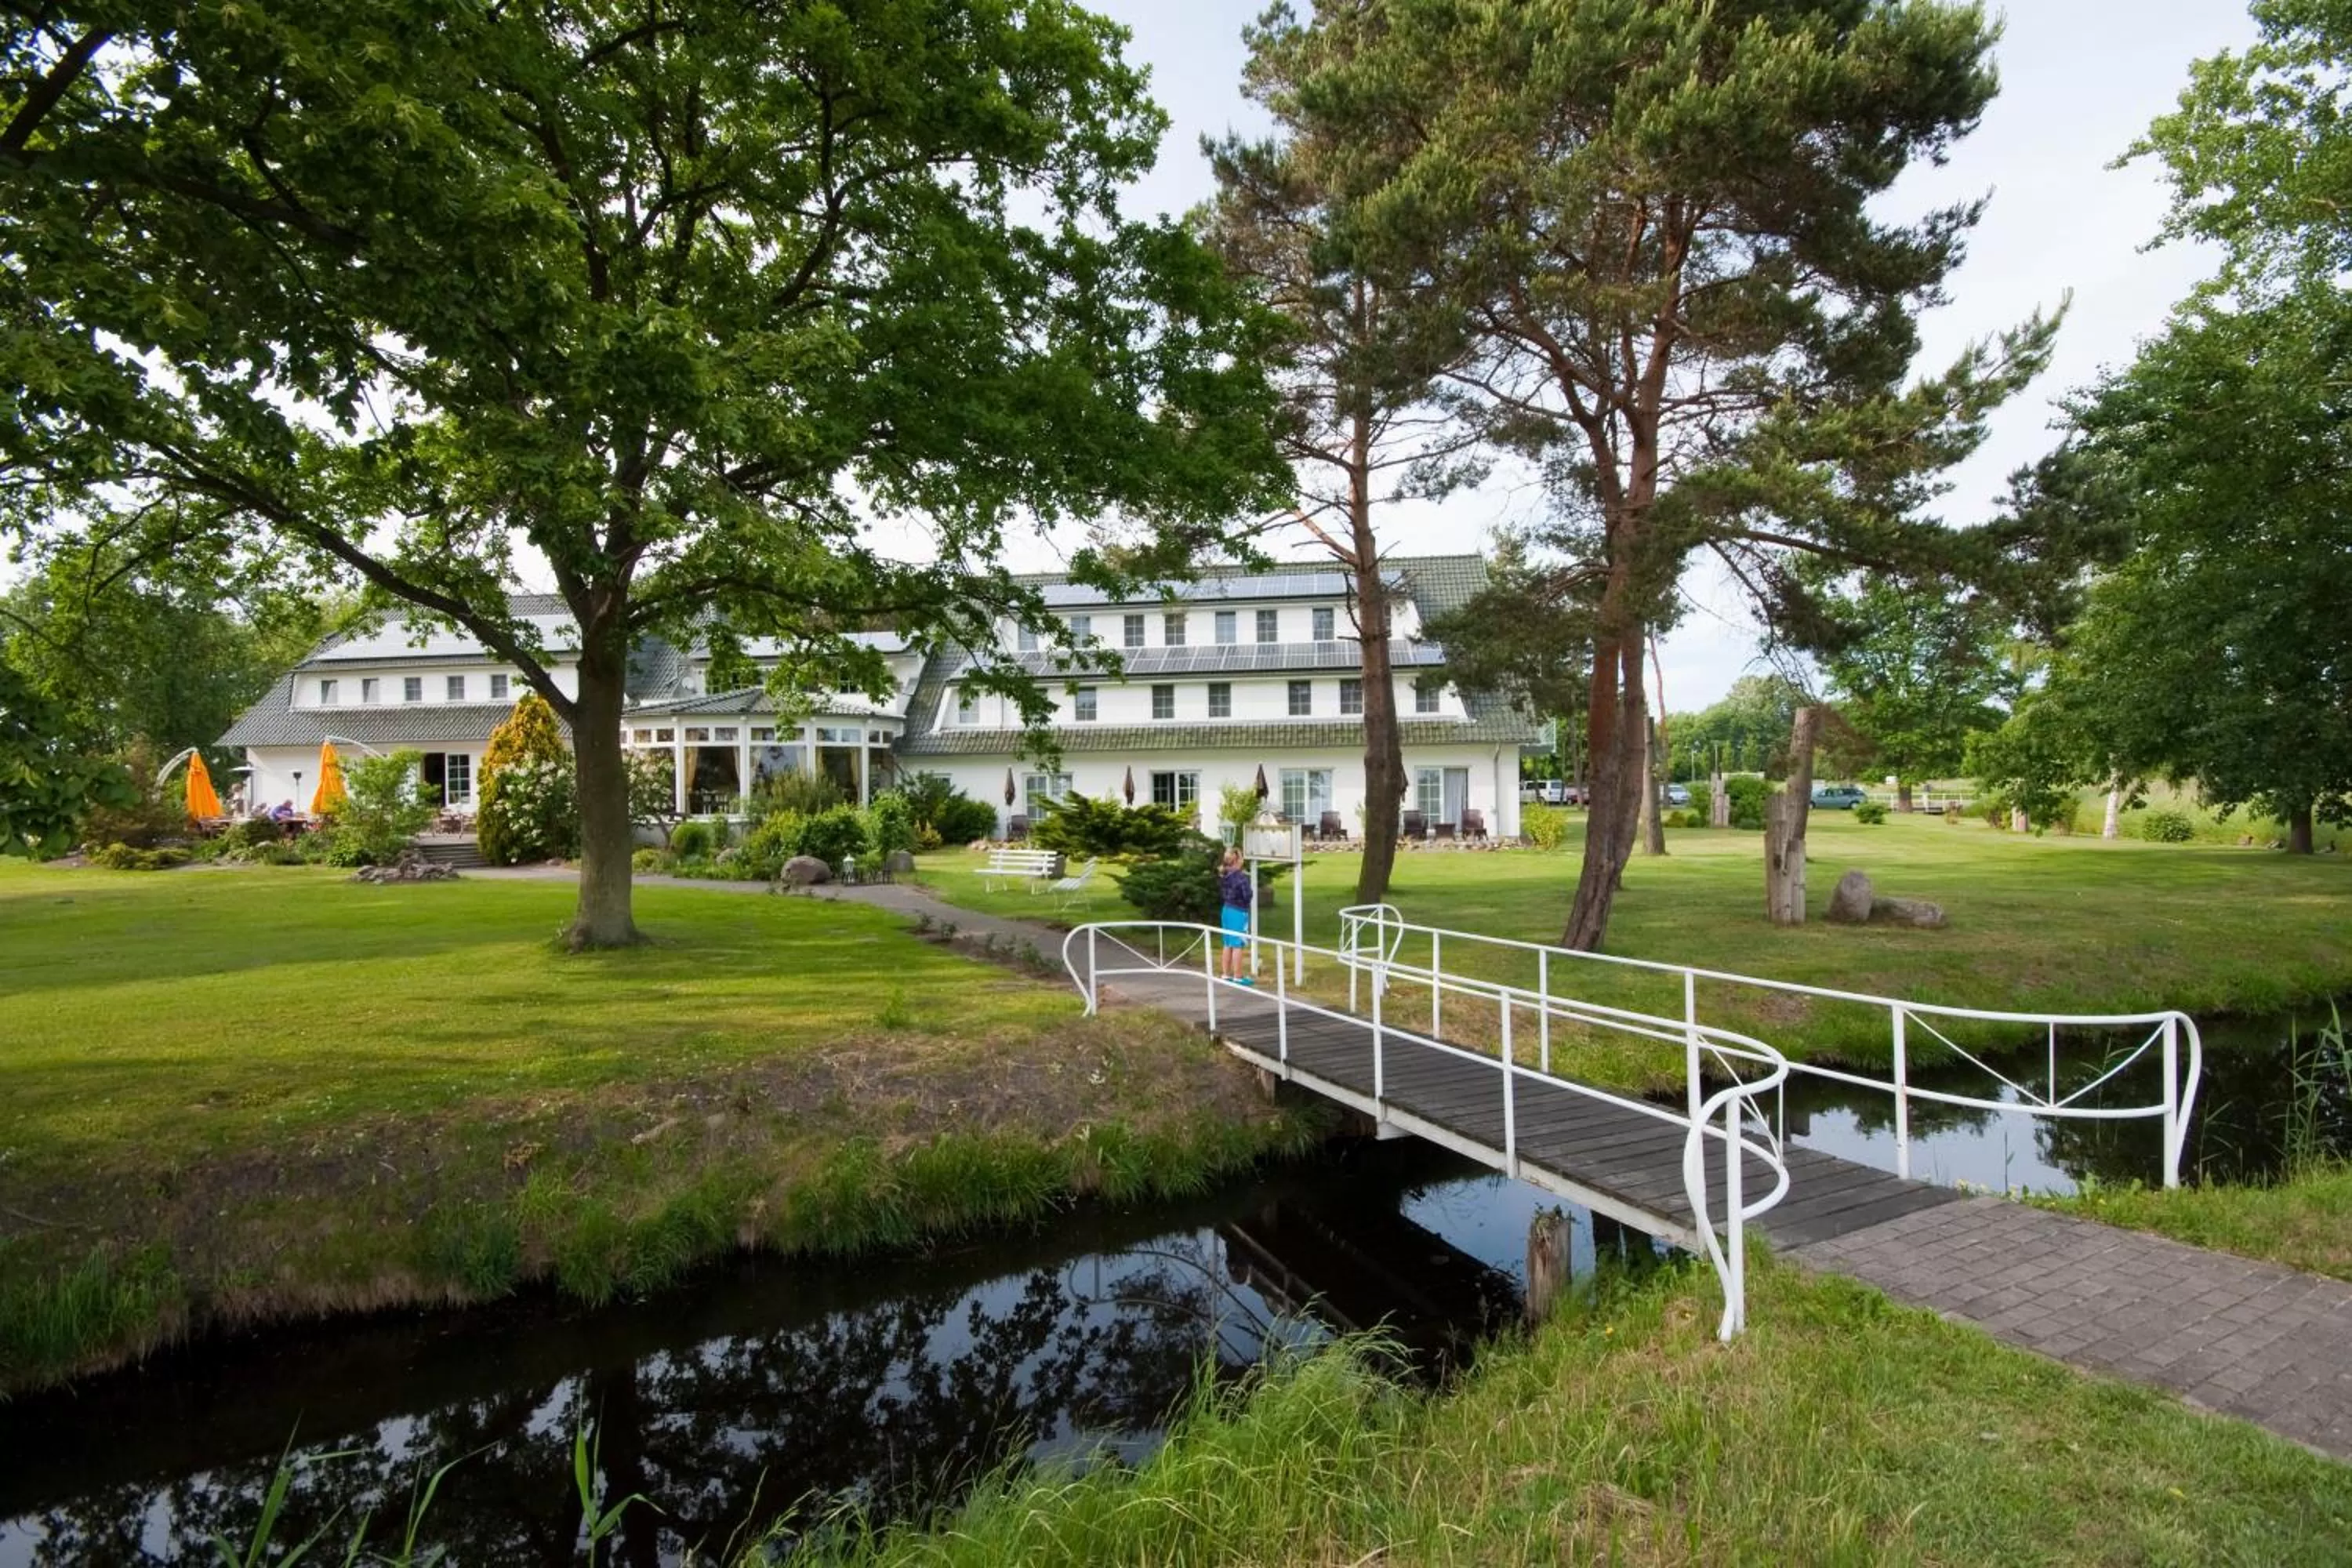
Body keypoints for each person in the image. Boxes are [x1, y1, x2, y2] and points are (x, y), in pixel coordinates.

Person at [1218, 846, 1254, 985]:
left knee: (1227, 943)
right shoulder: (1241, 877)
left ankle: (1226, 974)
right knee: (1238, 944)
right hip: (1238, 912)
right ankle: (1238, 975)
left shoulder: (1224, 875)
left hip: (1226, 909)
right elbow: (1247, 895)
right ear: (1238, 860)